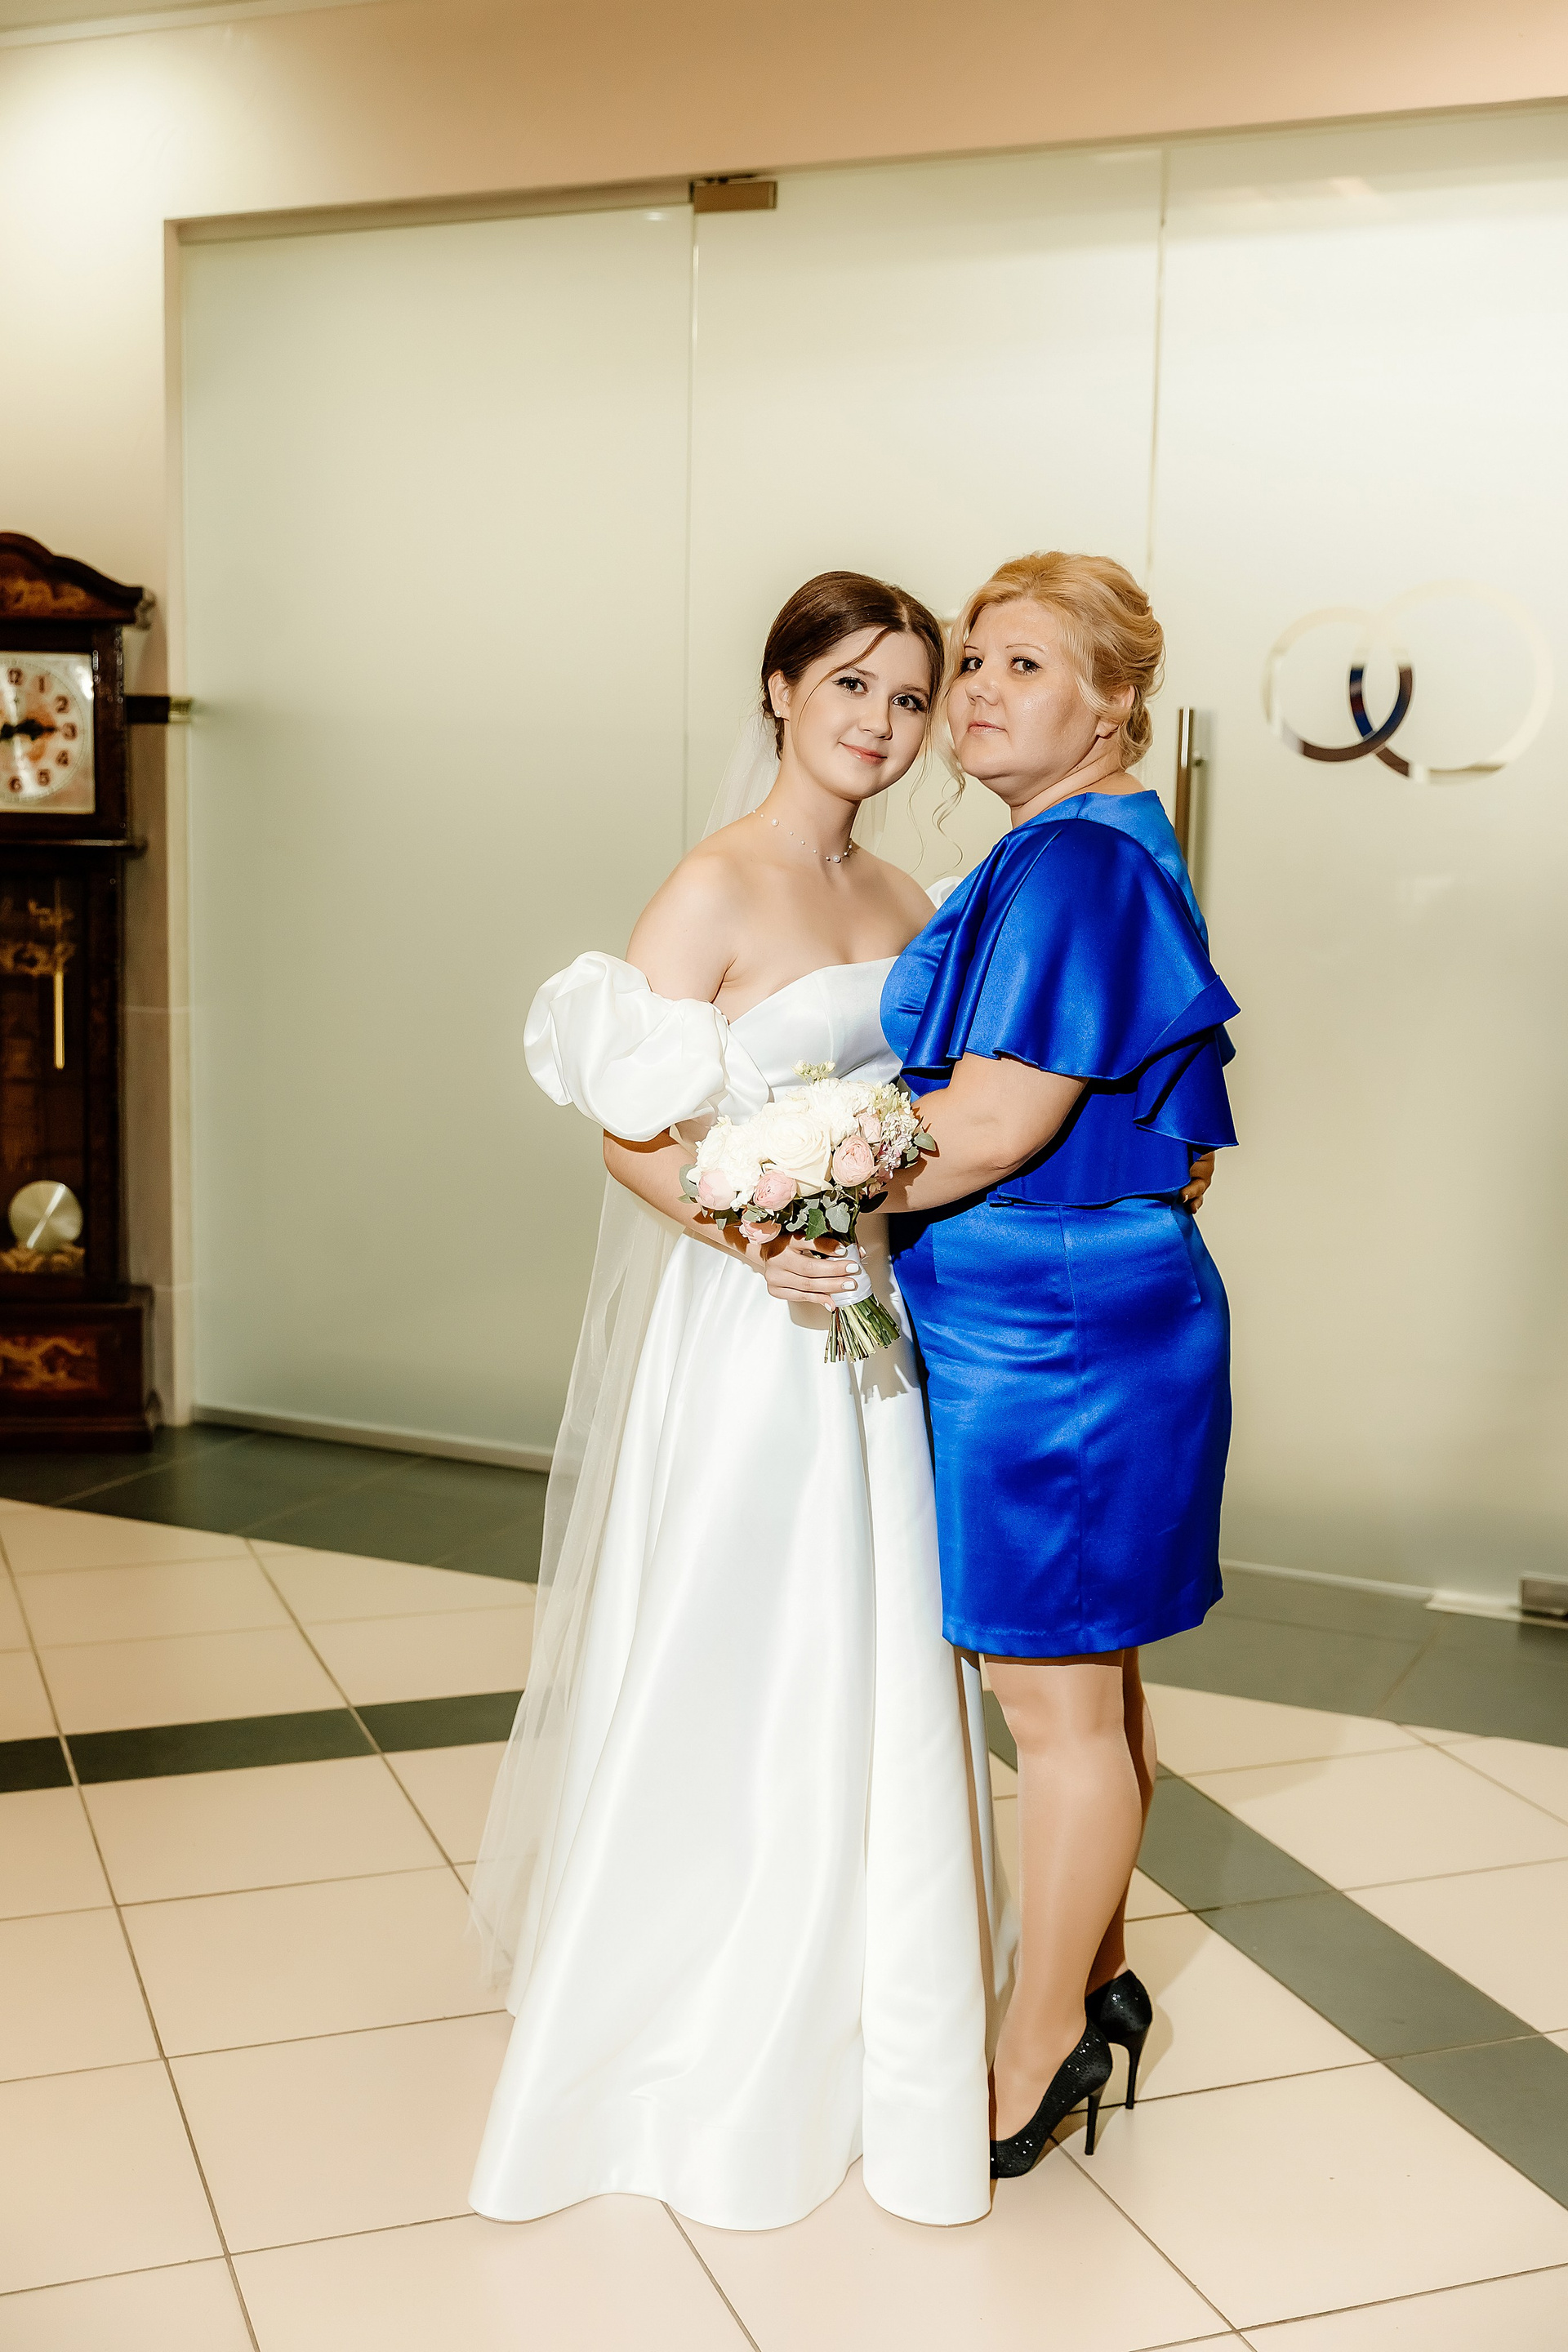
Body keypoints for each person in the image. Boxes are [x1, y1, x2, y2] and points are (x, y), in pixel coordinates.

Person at [469, 572, 1004, 2234]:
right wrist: (761, 1236)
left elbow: (934, 1119)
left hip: (873, 1318)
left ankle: (865, 2001)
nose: (880, 724)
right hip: (751, 1321)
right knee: (738, 1626)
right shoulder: (711, 885)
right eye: (850, 685)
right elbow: (631, 1137)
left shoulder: (912, 894)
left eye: (908, 699)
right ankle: (686, 1995)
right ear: (781, 689)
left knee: (874, 1634)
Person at [768, 550, 1236, 2177]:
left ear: (1113, 703)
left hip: (1059, 1331)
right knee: (1089, 1686)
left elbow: (986, 1126)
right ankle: (1093, 1984)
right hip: (1069, 1310)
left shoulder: (1075, 863)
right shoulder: (1074, 846)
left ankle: (1035, 2056)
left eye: (1023, 664)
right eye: (971, 661)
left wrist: (789, 1180)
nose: (973, 691)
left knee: (1057, 1707)